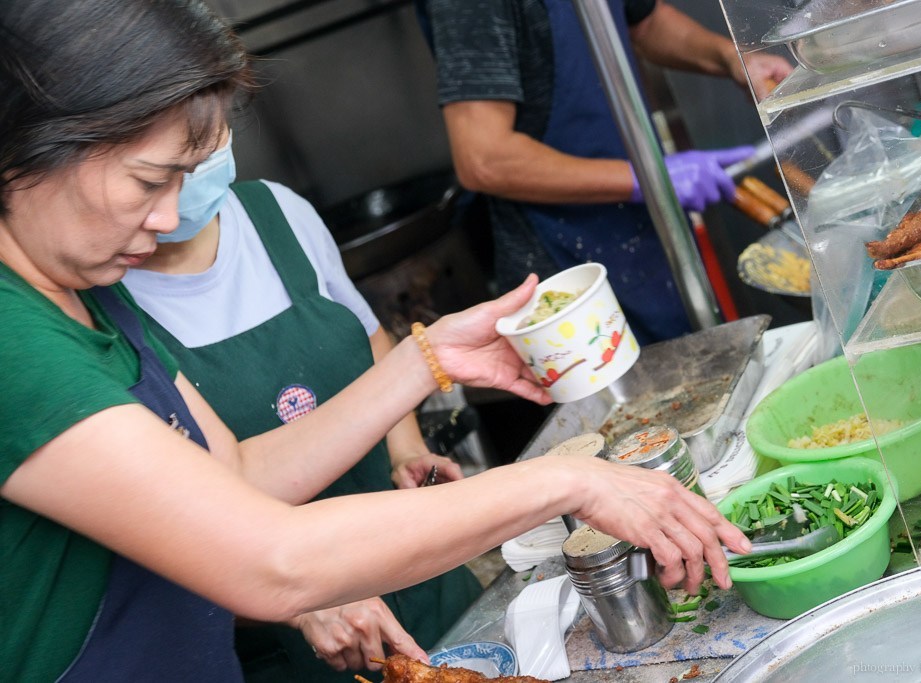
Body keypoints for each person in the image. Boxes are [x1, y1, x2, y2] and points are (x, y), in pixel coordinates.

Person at [0, 2, 751, 681]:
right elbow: (271, 559)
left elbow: (240, 473)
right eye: (146, 182)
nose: (168, 219)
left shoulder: (84, 291)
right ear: (27, 150)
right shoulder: (14, 339)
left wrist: (428, 360)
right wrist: (567, 480)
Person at [121, 126, 481, 680]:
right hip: (296, 645)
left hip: (419, 570)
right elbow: (173, 530)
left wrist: (404, 449)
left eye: (209, 134)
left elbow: (369, 341)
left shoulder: (278, 212)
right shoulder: (103, 305)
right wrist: (295, 600)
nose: (192, 169)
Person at [416, 0, 794, 345]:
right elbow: (484, 158)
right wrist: (644, 178)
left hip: (647, 238)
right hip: (567, 272)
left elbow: (642, 21)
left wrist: (730, 57)